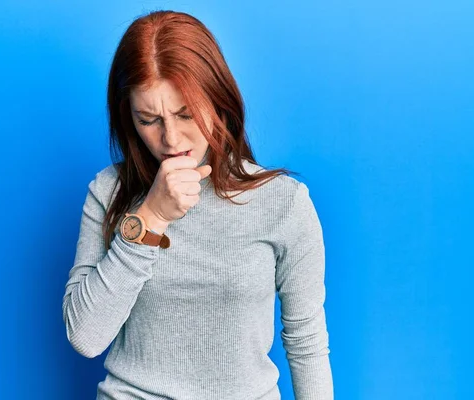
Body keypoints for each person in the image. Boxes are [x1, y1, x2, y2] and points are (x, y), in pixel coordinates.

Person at [62, 9, 334, 400]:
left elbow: (306, 340)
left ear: (218, 98)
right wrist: (151, 217)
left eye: (185, 113)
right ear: (129, 120)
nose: (171, 139)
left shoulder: (283, 202)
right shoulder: (108, 192)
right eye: (148, 120)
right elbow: (85, 336)